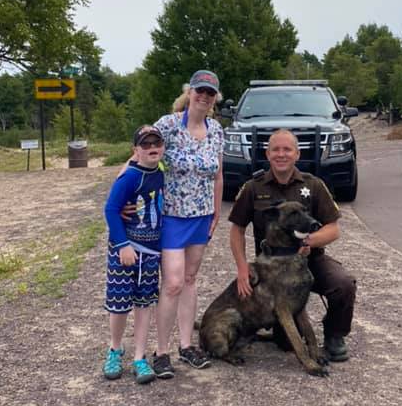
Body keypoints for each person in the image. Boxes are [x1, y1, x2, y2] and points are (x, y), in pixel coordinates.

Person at [228, 129, 356, 362]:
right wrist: (242, 268)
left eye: (287, 149)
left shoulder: (313, 185)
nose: (281, 154)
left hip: (309, 261)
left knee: (343, 283)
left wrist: (308, 241)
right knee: (285, 344)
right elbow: (237, 229)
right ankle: (273, 330)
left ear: (297, 154)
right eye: (275, 149)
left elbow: (333, 228)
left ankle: (335, 334)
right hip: (273, 268)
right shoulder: (253, 188)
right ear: (267, 154)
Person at [149, 69, 224, 378]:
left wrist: (217, 211)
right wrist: (124, 189)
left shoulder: (217, 130)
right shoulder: (168, 125)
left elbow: (218, 174)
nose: (204, 97)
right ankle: (161, 350)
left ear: (215, 98)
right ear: (190, 92)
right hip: (172, 215)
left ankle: (186, 345)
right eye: (200, 91)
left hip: (201, 216)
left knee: (191, 280)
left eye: (210, 93)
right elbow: (142, 152)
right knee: (173, 282)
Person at [102, 125, 165, 385]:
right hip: (126, 250)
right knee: (119, 304)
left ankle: (140, 356)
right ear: (136, 150)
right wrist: (122, 245)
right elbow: (111, 209)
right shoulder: (129, 176)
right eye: (146, 145)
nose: (152, 148)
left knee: (144, 304)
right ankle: (115, 349)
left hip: (151, 251)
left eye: (156, 144)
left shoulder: (162, 170)